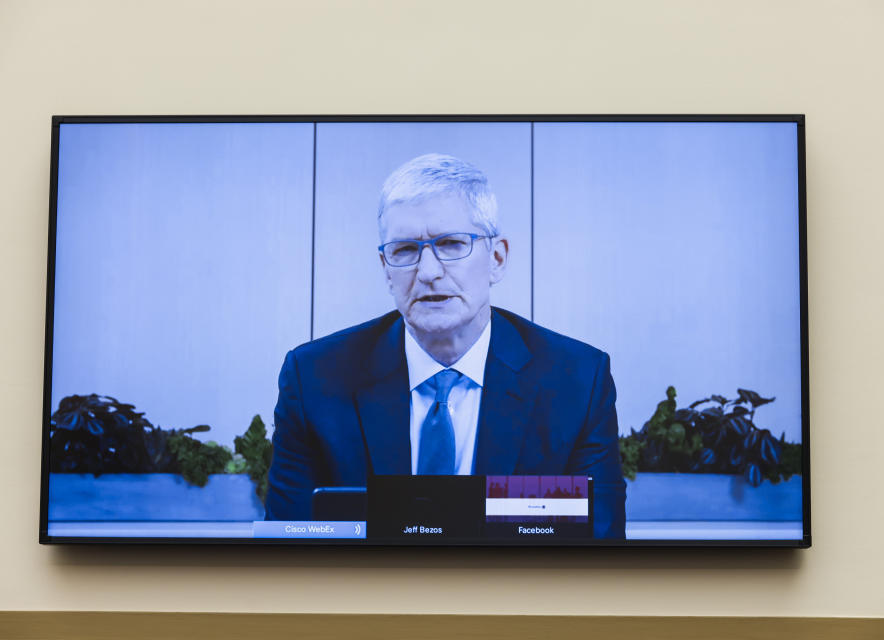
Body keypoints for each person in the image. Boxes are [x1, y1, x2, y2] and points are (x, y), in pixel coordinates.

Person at [265, 153, 626, 538]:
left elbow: (598, 550)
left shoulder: (577, 381)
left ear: (498, 258)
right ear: (386, 268)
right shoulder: (315, 379)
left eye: (452, 244)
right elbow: (288, 549)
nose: (429, 272)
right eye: (404, 250)